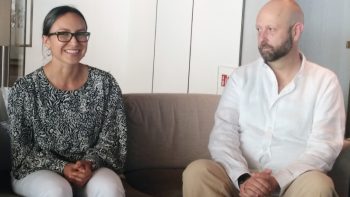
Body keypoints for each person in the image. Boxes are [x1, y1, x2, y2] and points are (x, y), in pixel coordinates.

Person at [183, 0, 345, 196]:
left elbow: (324, 147)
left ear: (296, 31)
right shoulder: (241, 77)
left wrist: (276, 180)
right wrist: (243, 177)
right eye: (259, 29)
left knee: (319, 185)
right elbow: (223, 134)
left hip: (293, 182)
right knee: (198, 171)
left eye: (270, 29)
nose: (262, 38)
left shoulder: (325, 82)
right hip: (238, 179)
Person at [8, 5, 127, 197]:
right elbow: (21, 153)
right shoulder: (25, 88)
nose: (74, 42)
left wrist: (88, 164)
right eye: (63, 34)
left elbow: (112, 141)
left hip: (91, 169)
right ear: (46, 40)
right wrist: (63, 167)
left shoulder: (105, 84)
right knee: (56, 190)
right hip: (37, 171)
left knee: (109, 189)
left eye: (81, 34)